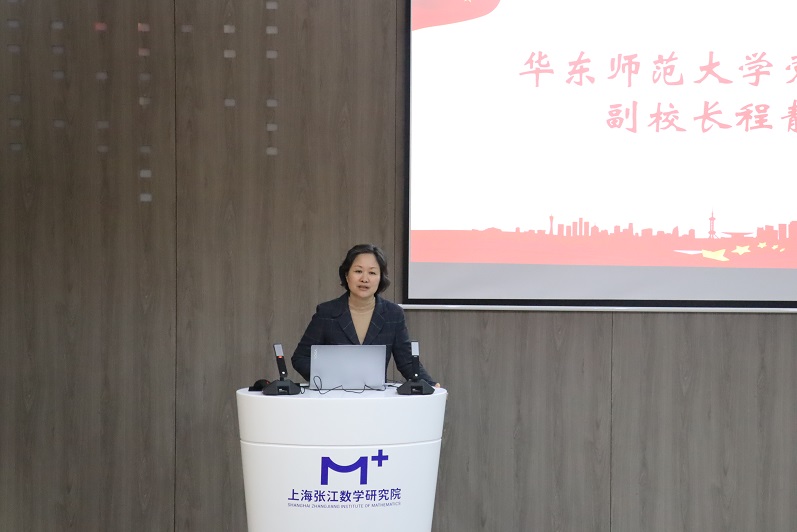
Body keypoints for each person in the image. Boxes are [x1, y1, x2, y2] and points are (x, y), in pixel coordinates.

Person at [292, 244, 439, 388]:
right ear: (346, 275)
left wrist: (430, 385)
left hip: (375, 398)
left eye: (372, 273)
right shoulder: (327, 312)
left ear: (380, 278)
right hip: (334, 395)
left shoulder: (393, 314)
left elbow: (407, 361)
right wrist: (329, 376)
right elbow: (301, 358)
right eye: (358, 271)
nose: (365, 279)